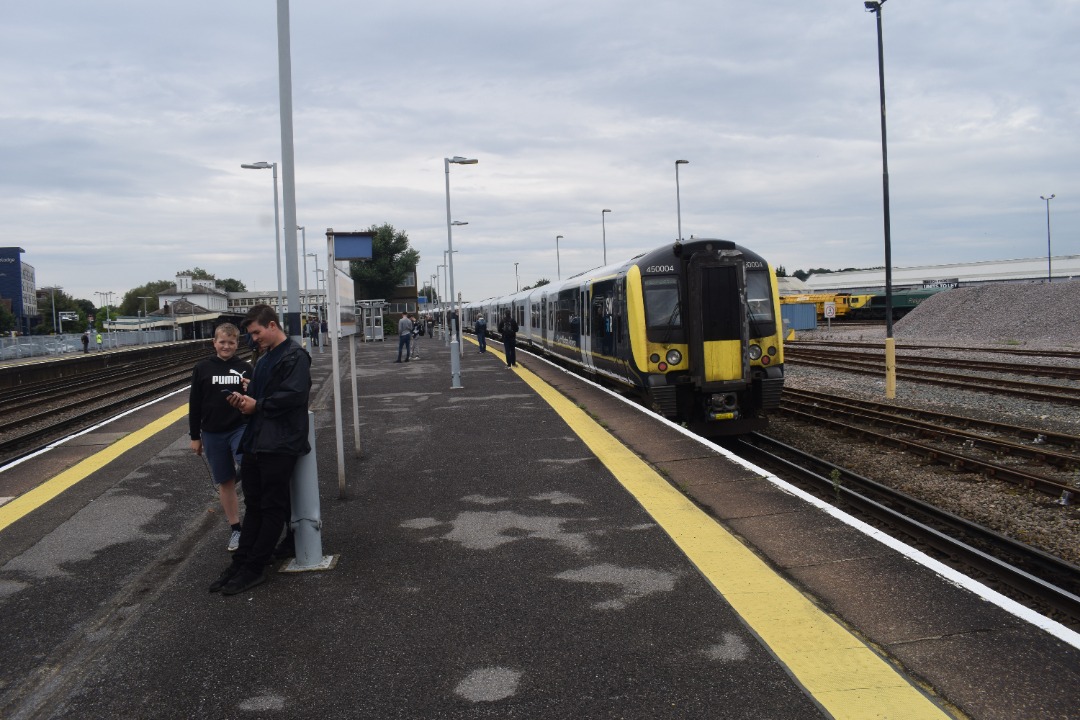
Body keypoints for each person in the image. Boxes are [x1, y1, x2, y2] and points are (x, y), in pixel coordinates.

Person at [209, 304, 312, 596]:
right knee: (255, 505)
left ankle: (254, 567)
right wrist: (245, 401)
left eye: (256, 332)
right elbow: (263, 398)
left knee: (270, 506)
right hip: (258, 441)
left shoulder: (295, 356)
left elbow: (295, 396)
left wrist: (257, 404)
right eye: (251, 334)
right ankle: (242, 562)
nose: (253, 339)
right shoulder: (266, 359)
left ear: (272, 325)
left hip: (279, 443)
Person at [189, 323, 253, 552]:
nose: (226, 346)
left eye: (231, 342)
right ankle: (236, 528)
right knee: (225, 482)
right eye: (222, 342)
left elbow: (256, 398)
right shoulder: (203, 368)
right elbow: (195, 403)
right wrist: (195, 436)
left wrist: (250, 389)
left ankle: (256, 524)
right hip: (212, 432)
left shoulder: (245, 368)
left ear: (238, 344)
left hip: (240, 427)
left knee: (250, 464)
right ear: (214, 343)